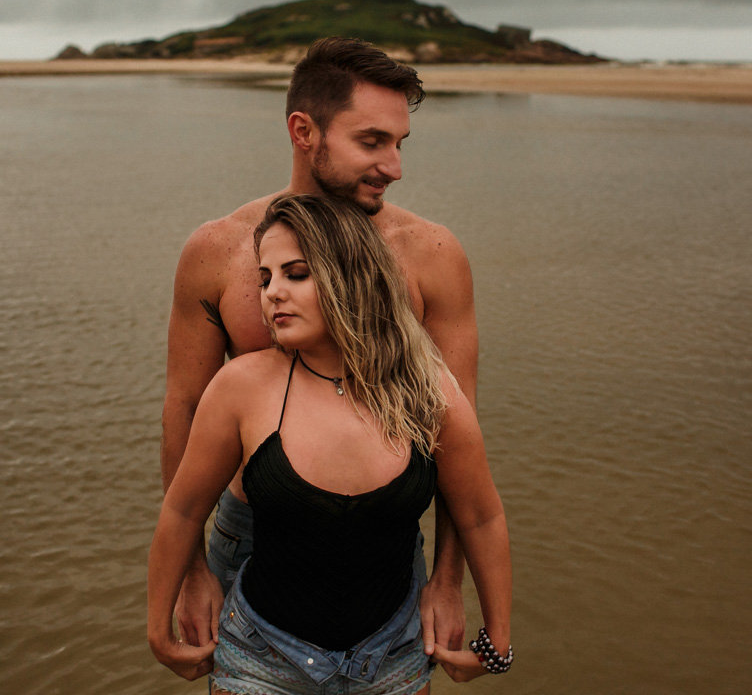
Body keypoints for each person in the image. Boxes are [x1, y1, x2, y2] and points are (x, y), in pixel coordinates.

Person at [161, 37, 478, 656]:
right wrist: (190, 570)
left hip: (388, 535)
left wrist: (448, 576)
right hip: (251, 533)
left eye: (399, 143)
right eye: (371, 142)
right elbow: (184, 407)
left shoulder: (430, 254)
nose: (394, 166)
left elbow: (459, 429)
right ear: (304, 131)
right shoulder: (221, 250)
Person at [148, 194, 512, 694]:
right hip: (260, 656)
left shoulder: (430, 392)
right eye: (265, 278)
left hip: (393, 657)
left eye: (295, 274)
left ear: (351, 276)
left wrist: (498, 637)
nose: (273, 292)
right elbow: (183, 510)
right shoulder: (241, 387)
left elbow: (480, 516)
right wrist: (157, 625)